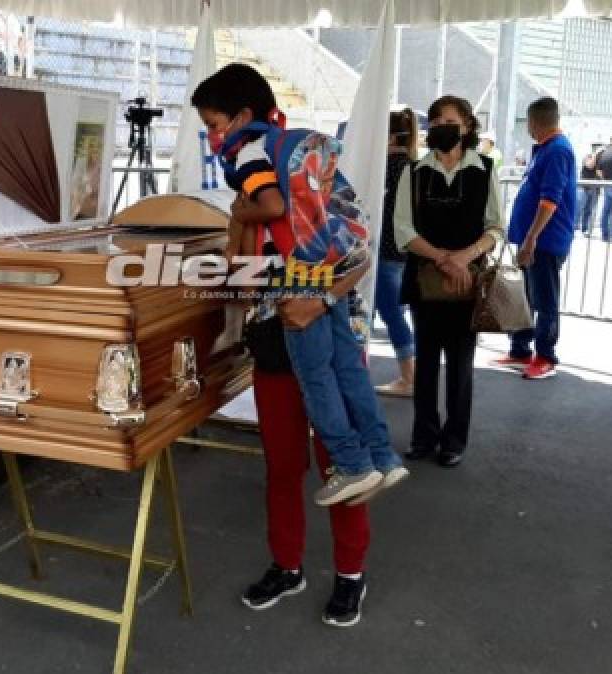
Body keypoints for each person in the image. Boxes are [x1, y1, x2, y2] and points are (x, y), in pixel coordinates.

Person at [193, 62, 405, 506]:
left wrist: (238, 213)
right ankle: (382, 457)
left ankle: (352, 466)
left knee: (318, 383)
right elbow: (348, 238)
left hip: (302, 294)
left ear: (239, 116)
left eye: (212, 125)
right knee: (343, 382)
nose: (212, 137)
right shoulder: (294, 155)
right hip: (316, 292)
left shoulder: (251, 155)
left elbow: (273, 210)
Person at [241, 266, 378, 628]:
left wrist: (322, 300)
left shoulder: (328, 209)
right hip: (274, 348)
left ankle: (351, 574)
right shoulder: (254, 211)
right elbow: (239, 270)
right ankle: (286, 566)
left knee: (345, 469)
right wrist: (242, 219)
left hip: (335, 348)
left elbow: (361, 256)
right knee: (282, 466)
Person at [394, 95, 504, 467]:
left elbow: (495, 227)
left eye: (450, 120)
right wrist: (443, 258)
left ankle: (454, 441)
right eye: (436, 119)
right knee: (425, 362)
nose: (441, 125)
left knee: (460, 364)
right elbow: (403, 230)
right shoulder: (414, 172)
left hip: (468, 281)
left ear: (468, 126)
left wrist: (463, 259)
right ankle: (423, 436)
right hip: (426, 278)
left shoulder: (485, 170)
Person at [492, 97, 577, 381]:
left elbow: (550, 200)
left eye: (528, 123)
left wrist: (531, 239)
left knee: (545, 300)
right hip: (537, 239)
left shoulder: (557, 151)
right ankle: (520, 349)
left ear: (535, 122)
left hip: (546, 241)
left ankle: (545, 356)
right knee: (527, 297)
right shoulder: (547, 150)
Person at [374, 107, 418, 397]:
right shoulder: (413, 166)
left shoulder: (386, 167)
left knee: (390, 313)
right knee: (399, 311)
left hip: (386, 249)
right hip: (406, 250)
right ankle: (413, 374)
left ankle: (409, 378)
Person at [577, 141, 603, 236]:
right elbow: (589, 165)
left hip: (595, 188)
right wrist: (595, 154)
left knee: (591, 210)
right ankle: (577, 228)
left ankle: (587, 230)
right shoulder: (588, 156)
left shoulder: (601, 160)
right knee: (581, 208)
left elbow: (601, 173)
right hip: (585, 188)